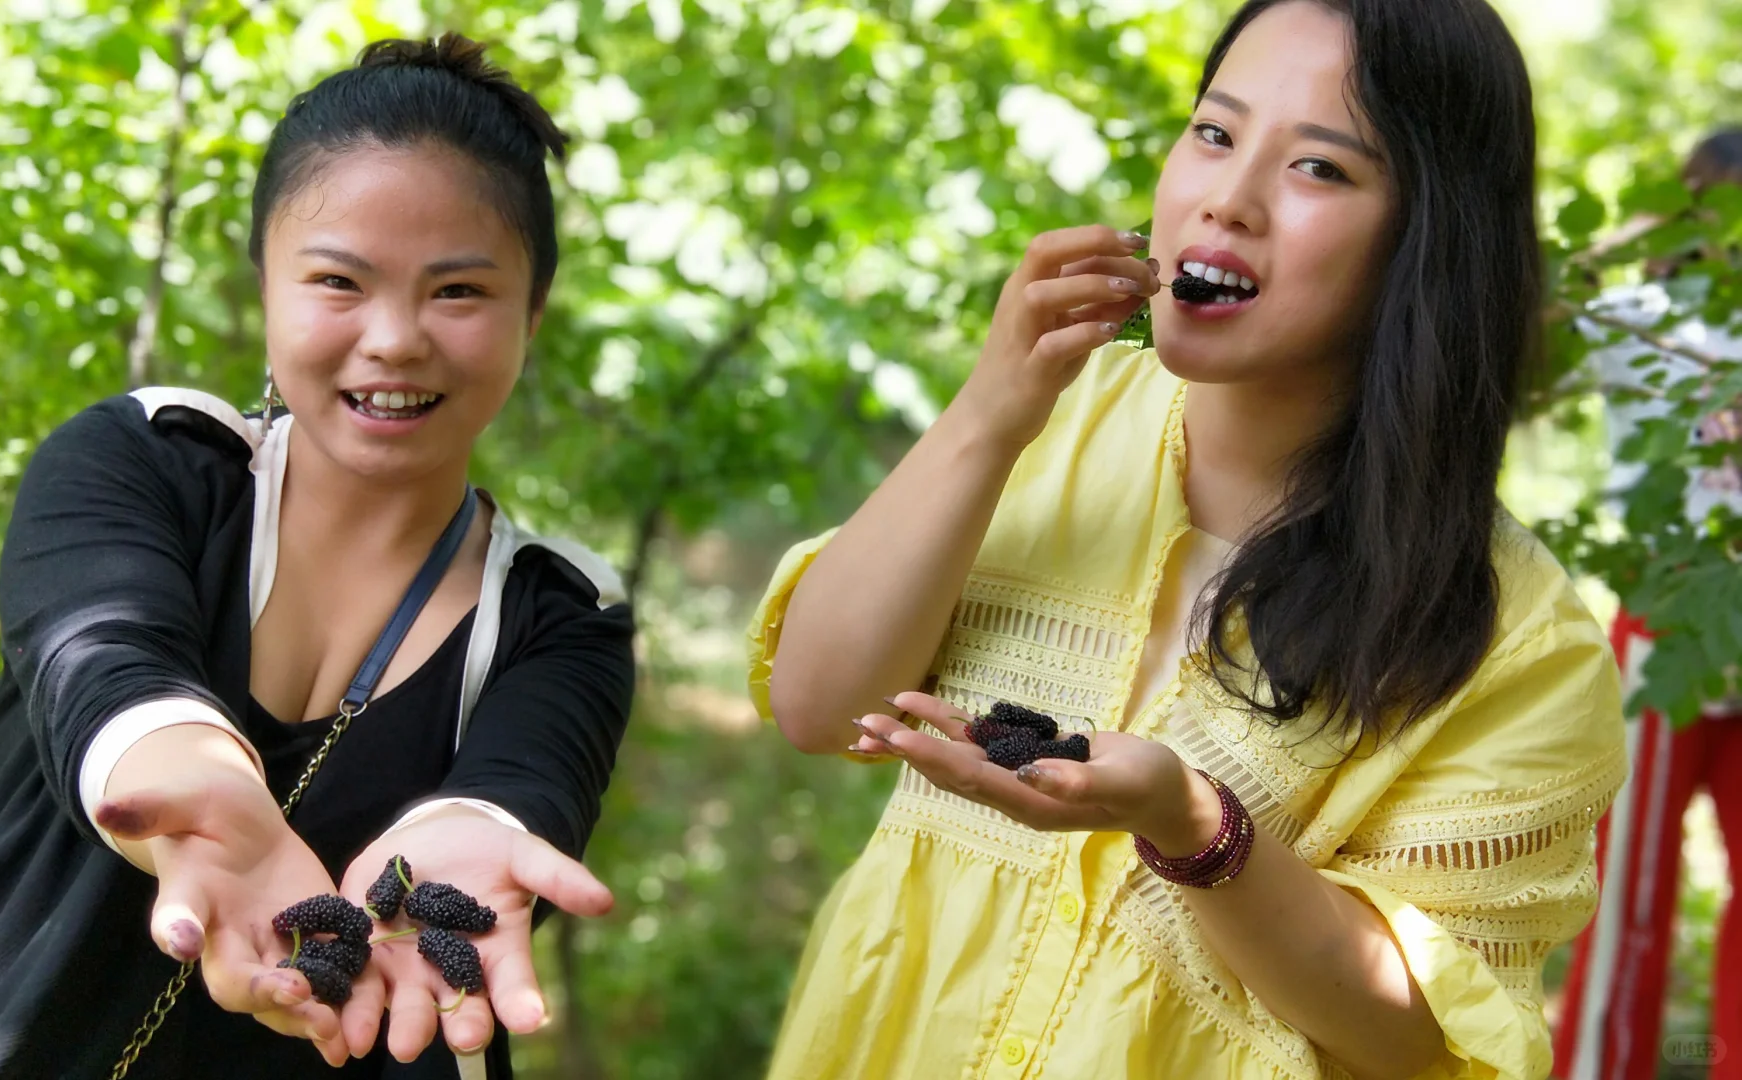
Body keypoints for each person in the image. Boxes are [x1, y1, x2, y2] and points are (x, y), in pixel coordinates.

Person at [746, 1, 1626, 1078]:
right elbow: (818, 706)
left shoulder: (1521, 642)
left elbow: (1420, 1037)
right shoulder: (1045, 416)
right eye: (1214, 133)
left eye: (1319, 169)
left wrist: (1196, 827)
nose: (1227, 198)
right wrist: (986, 416)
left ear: (1429, 239)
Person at [0, 33, 635, 1080]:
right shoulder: (144, 461)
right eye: (339, 281)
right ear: (265, 287)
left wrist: (470, 836)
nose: (395, 338)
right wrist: (208, 808)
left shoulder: (559, 616)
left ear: (531, 317)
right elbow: (109, 671)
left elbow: (518, 785)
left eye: (457, 293)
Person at [1553, 127, 1742, 1080]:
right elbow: (1536, 312)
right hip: (1666, 622)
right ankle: (1598, 1066)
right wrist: (1632, 235)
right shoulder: (1639, 315)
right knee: (1628, 884)